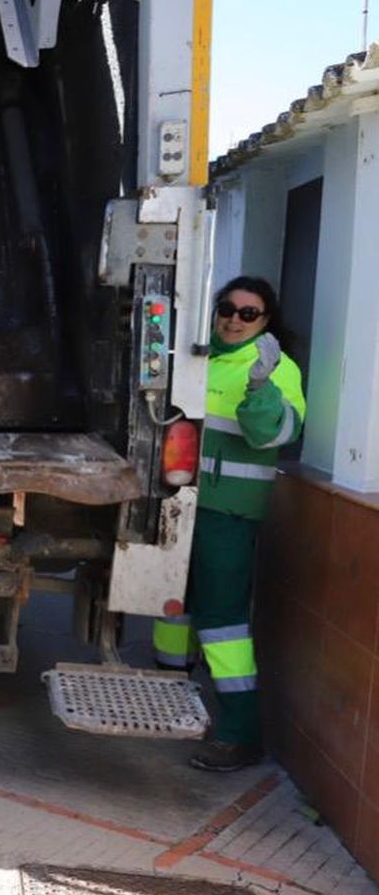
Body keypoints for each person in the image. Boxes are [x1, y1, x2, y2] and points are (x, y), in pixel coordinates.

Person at [153, 275, 306, 772]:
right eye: (228, 308)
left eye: (249, 313)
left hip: (228, 514)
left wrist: (261, 387)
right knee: (172, 604)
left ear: (266, 321)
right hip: (182, 503)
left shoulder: (274, 367)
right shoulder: (199, 357)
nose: (234, 319)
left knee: (222, 624)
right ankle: (170, 696)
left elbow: (272, 434)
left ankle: (241, 733)